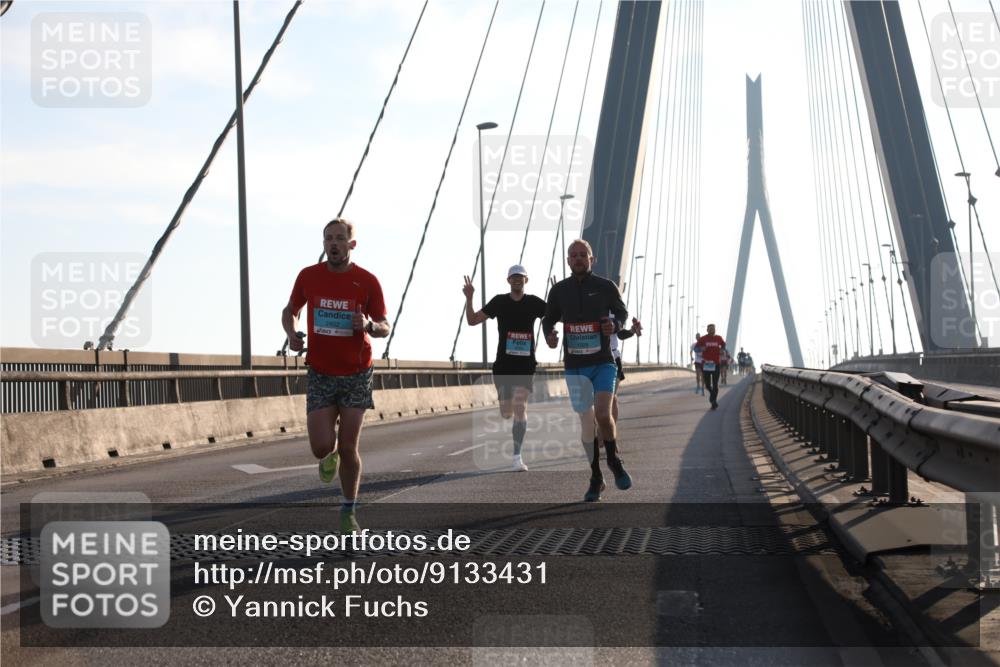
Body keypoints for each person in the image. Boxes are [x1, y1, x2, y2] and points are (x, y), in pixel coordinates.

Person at [282, 218, 390, 533]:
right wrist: (291, 334)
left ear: (351, 244)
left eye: (340, 238)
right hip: (321, 371)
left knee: (348, 446)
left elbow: (385, 325)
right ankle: (326, 458)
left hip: (357, 372)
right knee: (320, 447)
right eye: (329, 238)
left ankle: (348, 511)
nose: (333, 244)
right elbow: (289, 310)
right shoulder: (309, 277)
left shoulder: (367, 281)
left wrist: (369, 326)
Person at [542, 239, 631, 502]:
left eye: (583, 255)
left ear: (592, 259)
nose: (578, 259)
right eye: (574, 255)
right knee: (586, 424)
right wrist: (549, 333)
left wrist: (614, 327)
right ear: (568, 261)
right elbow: (549, 317)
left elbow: (622, 312)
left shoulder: (605, 287)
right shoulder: (559, 291)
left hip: (603, 361)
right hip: (575, 366)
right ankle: (596, 477)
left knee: (603, 415)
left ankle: (613, 460)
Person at [463, 265, 547, 472]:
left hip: (526, 364)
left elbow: (559, 316)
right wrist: (469, 297)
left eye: (520, 277)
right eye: (513, 278)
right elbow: (473, 321)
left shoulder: (534, 302)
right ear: (508, 281)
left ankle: (517, 456)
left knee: (520, 407)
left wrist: (558, 300)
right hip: (503, 365)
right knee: (507, 412)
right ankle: (510, 423)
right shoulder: (499, 302)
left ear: (527, 280)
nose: (517, 280)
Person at [609, 312, 643, 421]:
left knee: (612, 397)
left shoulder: (615, 310)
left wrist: (631, 331)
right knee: (597, 400)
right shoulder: (592, 308)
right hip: (596, 358)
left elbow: (620, 334)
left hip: (613, 358)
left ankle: (611, 433)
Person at [695, 324, 726, 410]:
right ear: (707, 330)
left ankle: (713, 401)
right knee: (708, 385)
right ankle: (712, 396)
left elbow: (723, 345)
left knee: (715, 384)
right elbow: (696, 348)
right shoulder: (703, 339)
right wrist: (701, 349)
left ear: (715, 330)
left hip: (716, 364)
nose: (712, 330)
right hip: (706, 364)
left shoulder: (719, 338)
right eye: (710, 329)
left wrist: (722, 350)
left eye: (713, 329)